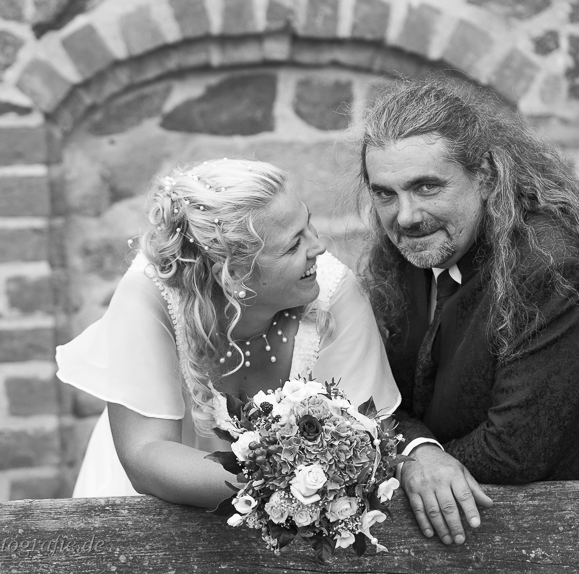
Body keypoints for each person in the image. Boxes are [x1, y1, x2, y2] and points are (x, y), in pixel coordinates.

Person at [357, 76, 579, 546]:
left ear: (486, 175)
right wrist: (417, 453)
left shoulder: (559, 266)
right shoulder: (407, 253)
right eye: (385, 193)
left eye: (426, 187)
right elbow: (382, 396)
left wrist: (410, 464)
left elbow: (512, 450)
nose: (405, 215)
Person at [56, 158, 401, 507]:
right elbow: (145, 454)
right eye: (293, 244)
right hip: (157, 498)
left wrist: (296, 492)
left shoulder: (334, 290)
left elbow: (364, 436)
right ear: (234, 275)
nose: (319, 247)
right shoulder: (151, 292)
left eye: (307, 224)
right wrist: (272, 485)